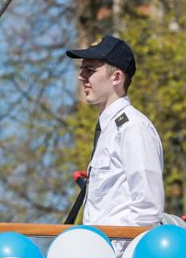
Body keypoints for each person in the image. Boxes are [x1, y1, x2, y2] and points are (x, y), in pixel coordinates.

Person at [64, 35, 164, 231]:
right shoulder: (110, 128)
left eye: (90, 70)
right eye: (82, 69)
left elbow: (147, 210)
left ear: (116, 77)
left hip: (119, 256)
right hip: (100, 250)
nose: (81, 76)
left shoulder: (133, 127)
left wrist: (112, 250)